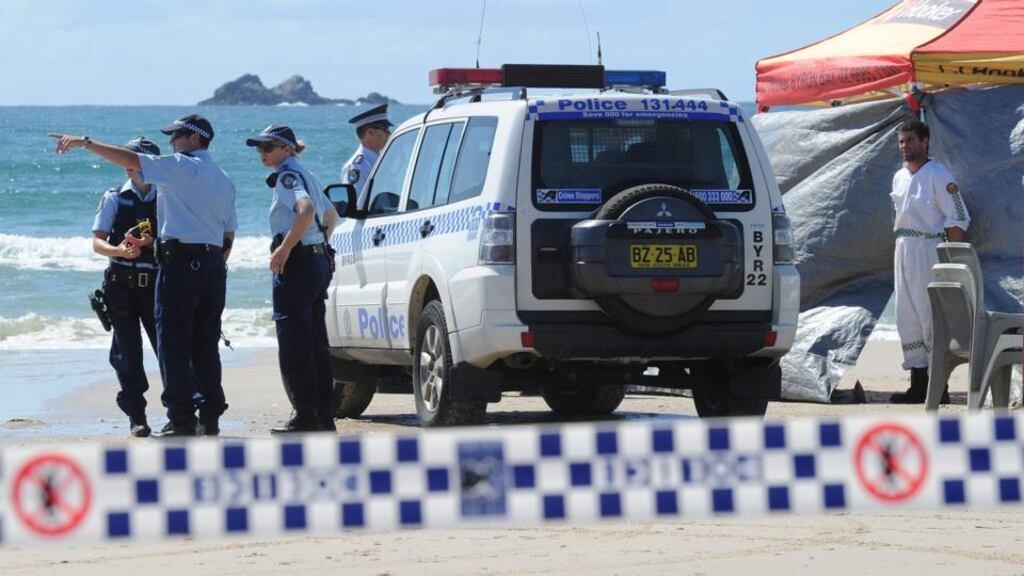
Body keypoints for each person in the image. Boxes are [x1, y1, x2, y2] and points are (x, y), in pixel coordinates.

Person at [51, 114, 238, 437]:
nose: (171, 143)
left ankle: (180, 419)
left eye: (177, 136)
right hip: (212, 267)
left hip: (181, 266)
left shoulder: (183, 166)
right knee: (205, 345)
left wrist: (86, 142)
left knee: (174, 345)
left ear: (195, 139)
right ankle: (209, 417)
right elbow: (229, 236)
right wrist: (210, 266)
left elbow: (131, 159)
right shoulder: (222, 177)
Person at [246, 124, 339, 432]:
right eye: (259, 148)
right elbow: (331, 216)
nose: (262, 153)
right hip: (316, 260)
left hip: (299, 264)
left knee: (294, 344)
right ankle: (324, 415)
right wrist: (318, 245)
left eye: (268, 147)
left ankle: (306, 415)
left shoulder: (288, 176)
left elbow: (308, 210)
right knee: (315, 342)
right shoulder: (306, 173)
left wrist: (285, 249)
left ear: (286, 148)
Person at [889, 119, 971, 404]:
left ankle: (940, 388)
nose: (905, 146)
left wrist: (950, 256)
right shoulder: (899, 177)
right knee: (906, 316)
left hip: (929, 248)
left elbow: (959, 215)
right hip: (903, 249)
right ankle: (917, 386)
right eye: (901, 141)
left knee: (929, 316)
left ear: (925, 142)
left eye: (910, 140)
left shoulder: (939, 175)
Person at [91, 136, 162, 437]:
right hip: (120, 285)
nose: (132, 168)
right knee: (127, 356)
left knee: (169, 350)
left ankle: (181, 412)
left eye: (137, 162)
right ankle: (137, 417)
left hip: (157, 284)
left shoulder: (169, 196)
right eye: (128, 162)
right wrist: (119, 251)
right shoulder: (114, 198)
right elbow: (97, 242)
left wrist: (153, 243)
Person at [340, 103, 392, 195]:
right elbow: (356, 204)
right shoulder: (358, 166)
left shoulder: (377, 160)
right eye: (385, 129)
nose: (389, 133)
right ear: (370, 132)